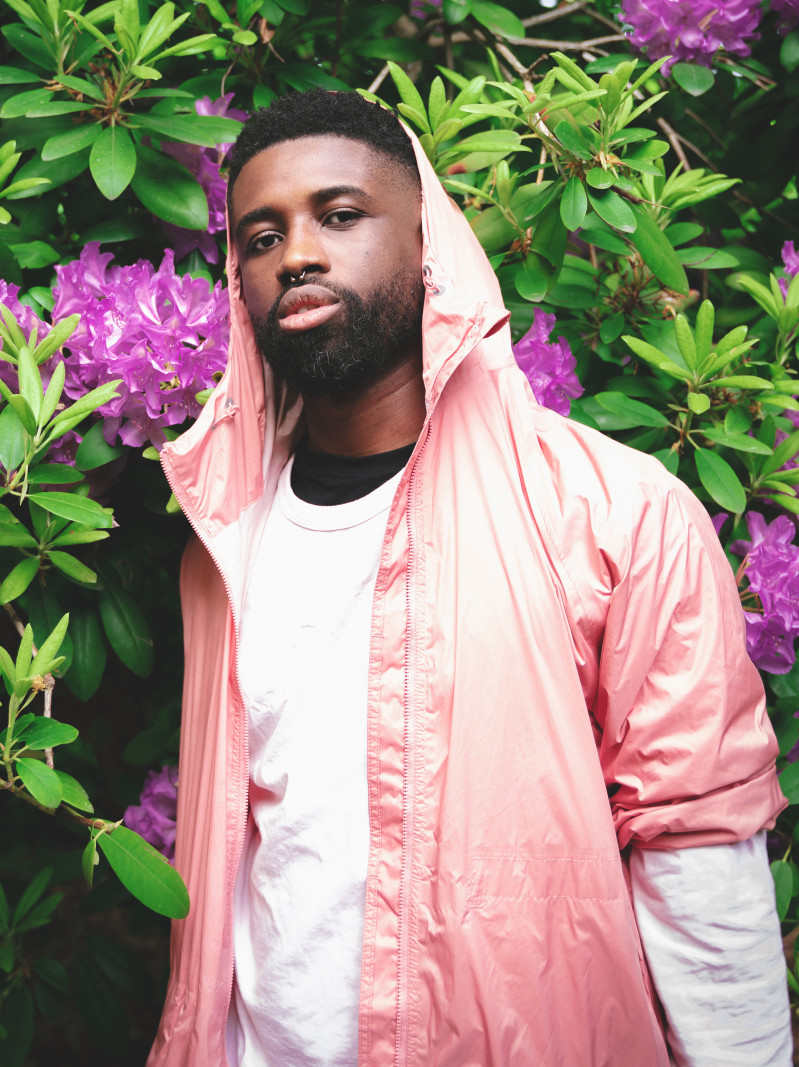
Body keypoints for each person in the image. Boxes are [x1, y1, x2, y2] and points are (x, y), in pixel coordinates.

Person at [149, 90, 791, 1066]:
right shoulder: (224, 541)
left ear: (428, 243)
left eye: (339, 214)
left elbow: (696, 848)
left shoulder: (615, 511)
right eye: (261, 237)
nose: (297, 254)